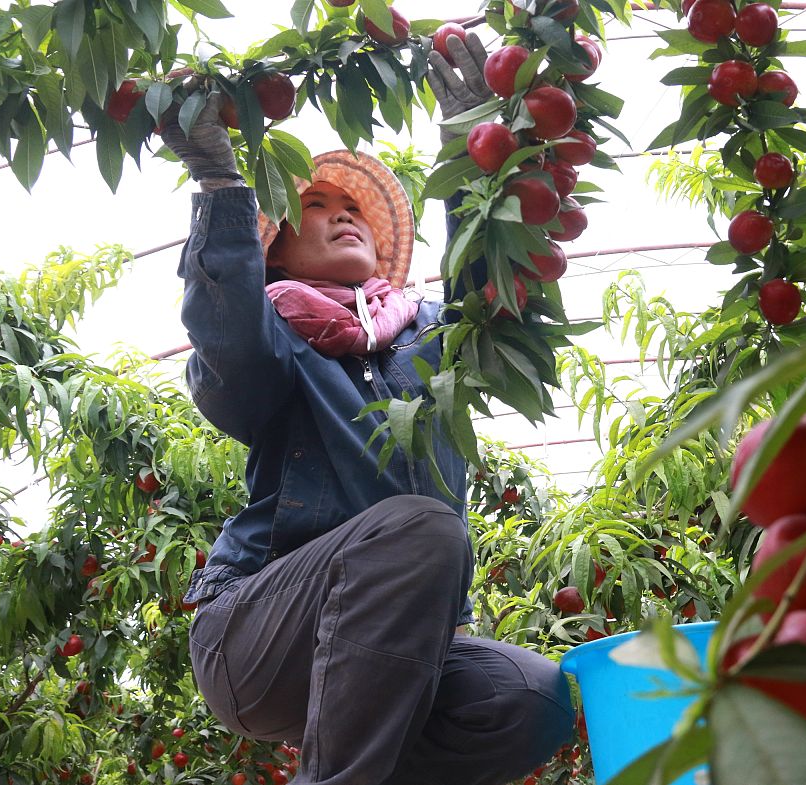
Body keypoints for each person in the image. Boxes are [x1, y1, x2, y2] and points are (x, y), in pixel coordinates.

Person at [164, 33, 575, 785]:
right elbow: (228, 347)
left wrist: (475, 158)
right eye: (314, 204)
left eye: (353, 206)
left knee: (529, 697)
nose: (343, 213)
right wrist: (223, 188)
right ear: (276, 253)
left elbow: (498, 305)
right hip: (258, 630)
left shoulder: (426, 338)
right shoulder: (273, 333)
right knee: (422, 529)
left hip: (391, 646)